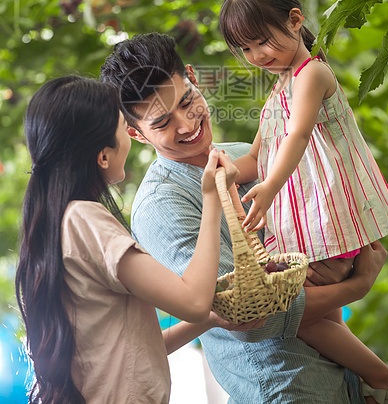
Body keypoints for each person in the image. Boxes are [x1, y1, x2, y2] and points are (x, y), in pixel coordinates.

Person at [100, 32, 388, 404]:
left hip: (346, 381)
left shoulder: (245, 156)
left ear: (191, 75)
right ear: (134, 133)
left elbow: (320, 235)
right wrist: (358, 285)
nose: (187, 125)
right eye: (162, 123)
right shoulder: (160, 208)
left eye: (188, 101)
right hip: (287, 388)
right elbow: (250, 318)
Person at [219, 0, 388, 404]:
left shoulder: (311, 75)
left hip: (331, 222)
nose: (256, 55)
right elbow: (256, 157)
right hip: (312, 227)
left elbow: (298, 136)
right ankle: (366, 383)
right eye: (245, 48)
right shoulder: (280, 90)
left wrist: (267, 187)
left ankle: (384, 383)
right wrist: (224, 170)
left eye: (262, 41)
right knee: (317, 312)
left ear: (294, 19)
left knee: (297, 315)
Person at [15, 75, 240, 404]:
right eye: (123, 127)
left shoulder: (59, 222)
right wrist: (211, 198)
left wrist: (214, 320)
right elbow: (193, 301)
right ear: (103, 155)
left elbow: (132, 351)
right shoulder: (85, 220)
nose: (130, 138)